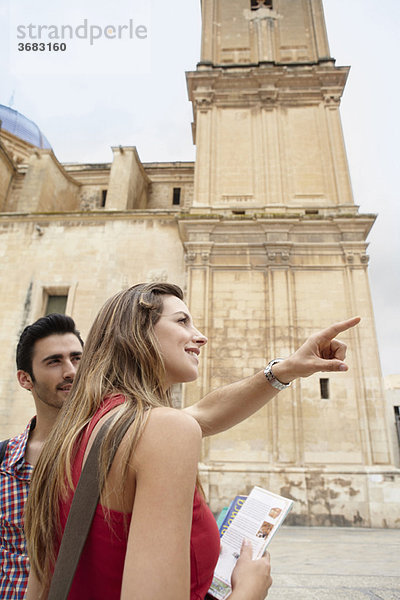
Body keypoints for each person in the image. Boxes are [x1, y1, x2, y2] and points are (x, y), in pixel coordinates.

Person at [24, 282, 360, 600]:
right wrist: (249, 590)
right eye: (182, 321)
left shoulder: (71, 435)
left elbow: (204, 414)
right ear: (138, 333)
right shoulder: (160, 429)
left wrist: (286, 369)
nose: (200, 337)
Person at [0, 314, 83, 600]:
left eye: (77, 358)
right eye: (54, 361)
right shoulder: (2, 463)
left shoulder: (113, 452)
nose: (70, 371)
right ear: (25, 379)